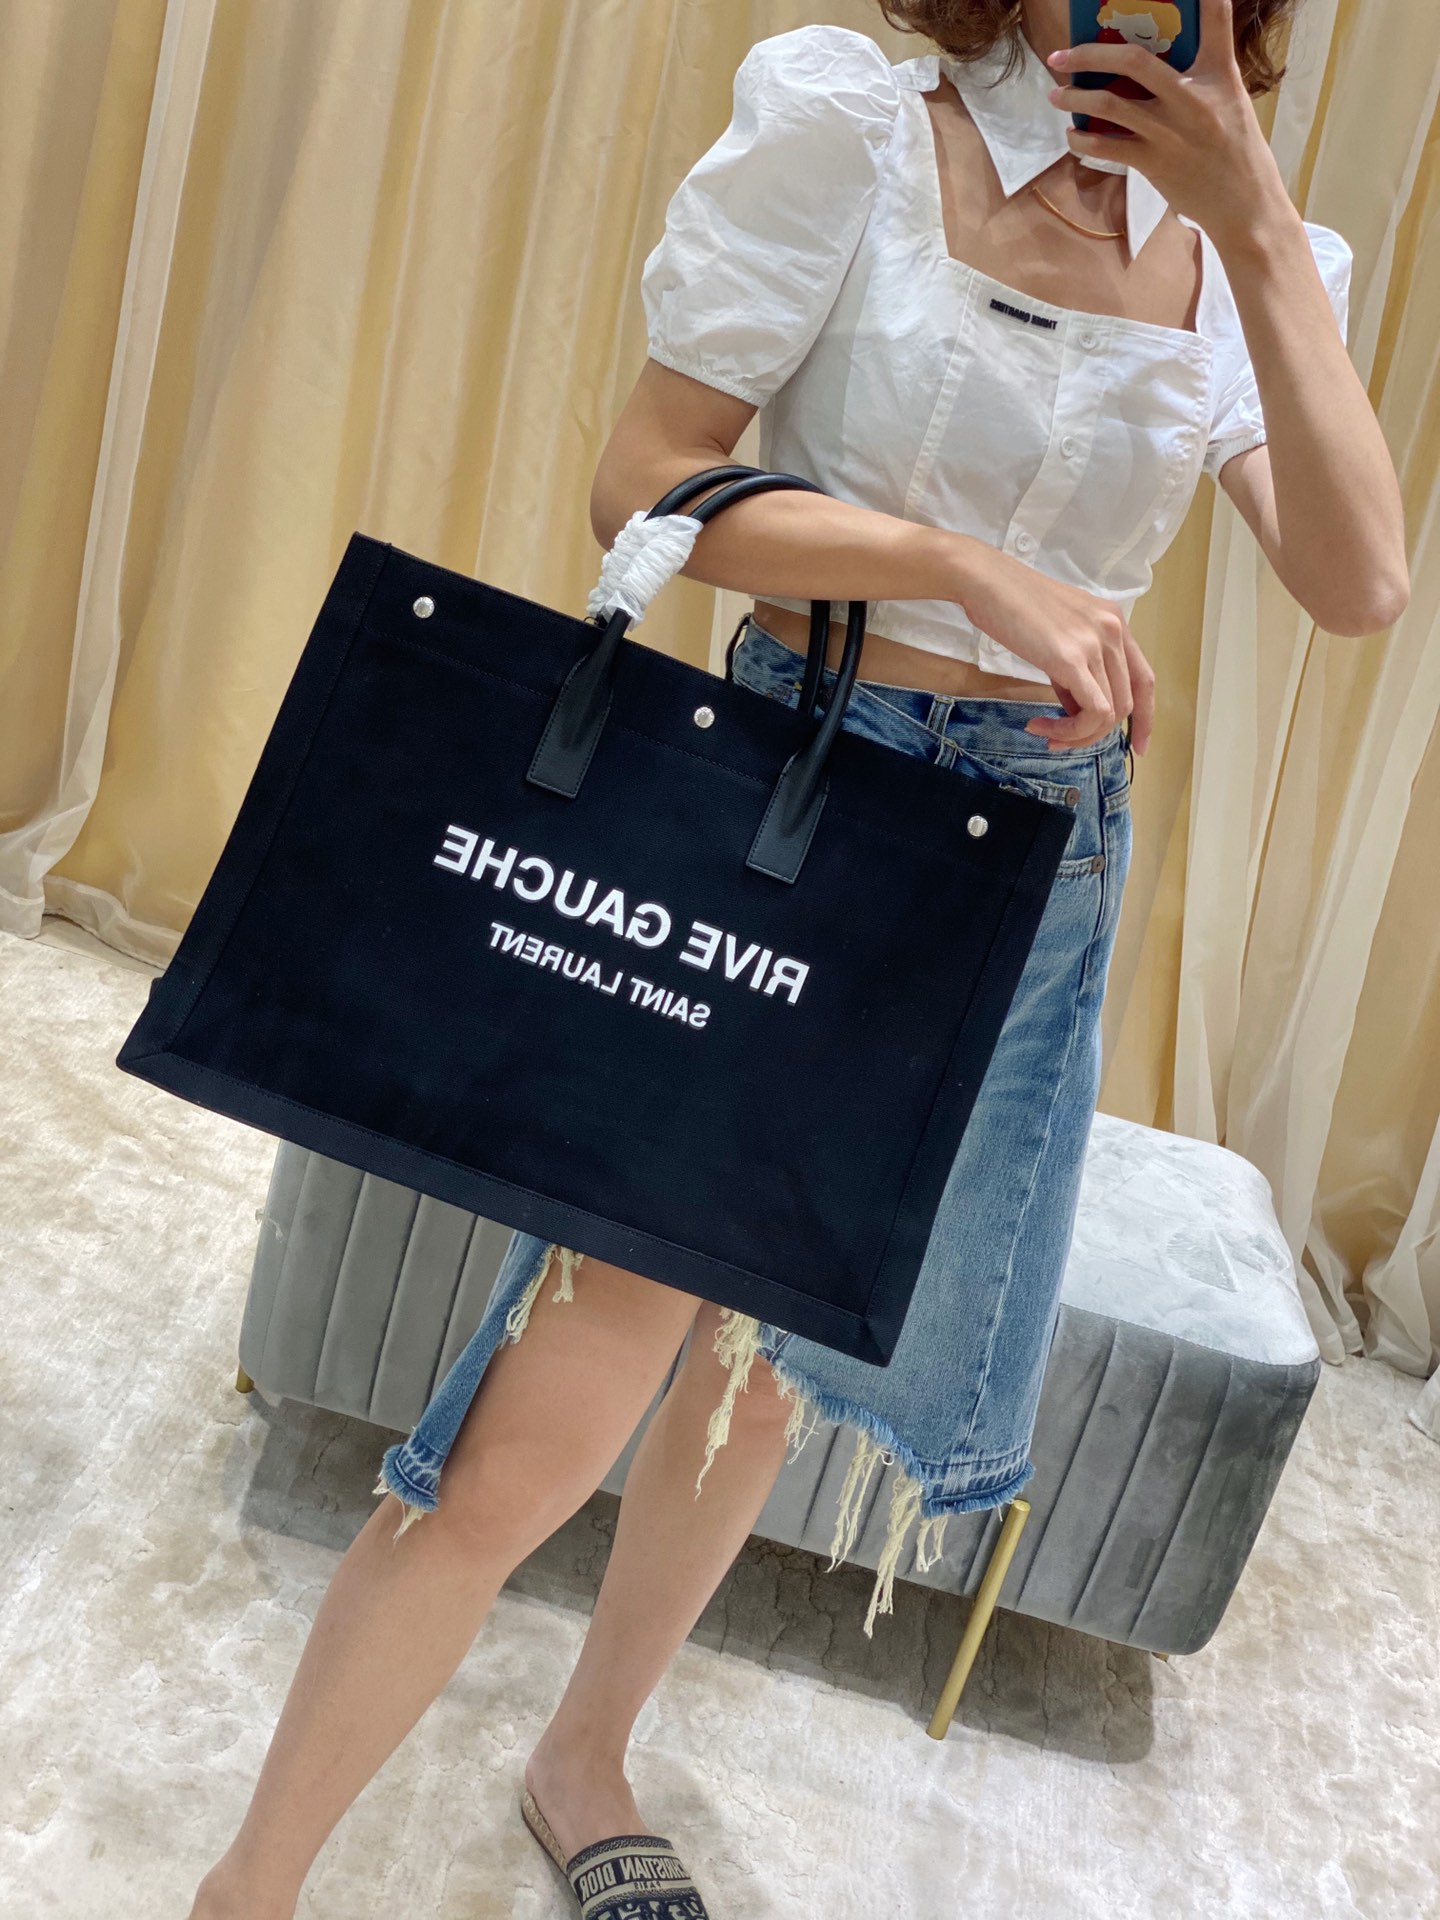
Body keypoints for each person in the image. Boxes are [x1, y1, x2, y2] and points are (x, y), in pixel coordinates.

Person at [190, 1, 1406, 1915]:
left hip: (1018, 873)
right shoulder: (860, 125)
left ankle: (587, 1759)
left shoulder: (1260, 260)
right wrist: (966, 570)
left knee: (769, 1362)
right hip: (795, 797)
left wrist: (1253, 224)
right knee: (546, 1408)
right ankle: (247, 1890)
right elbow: (648, 481)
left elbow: (1359, 582)